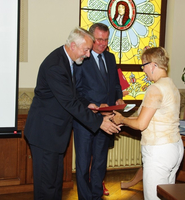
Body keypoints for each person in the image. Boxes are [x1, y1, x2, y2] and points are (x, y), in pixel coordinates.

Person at [24, 27, 121, 200]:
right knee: (46, 186)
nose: (88, 55)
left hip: (54, 135)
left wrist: (90, 104)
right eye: (86, 50)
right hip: (45, 135)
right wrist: (99, 122)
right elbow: (69, 102)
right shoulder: (56, 65)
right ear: (73, 45)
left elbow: (74, 95)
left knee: (55, 183)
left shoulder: (67, 60)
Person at [112, 47, 184, 200]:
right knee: (167, 195)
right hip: (175, 147)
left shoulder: (155, 88)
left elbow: (141, 124)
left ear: (153, 65)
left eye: (143, 65)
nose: (143, 70)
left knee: (153, 197)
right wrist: (124, 120)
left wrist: (122, 120)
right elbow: (150, 119)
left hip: (159, 151)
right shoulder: (171, 85)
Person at [73, 23, 124, 200]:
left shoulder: (110, 58)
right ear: (92, 39)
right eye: (99, 39)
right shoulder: (82, 58)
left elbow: (116, 84)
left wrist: (118, 97)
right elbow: (76, 91)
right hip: (86, 120)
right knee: (83, 163)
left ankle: (96, 195)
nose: (103, 43)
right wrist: (94, 105)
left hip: (107, 120)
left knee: (100, 162)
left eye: (106, 39)